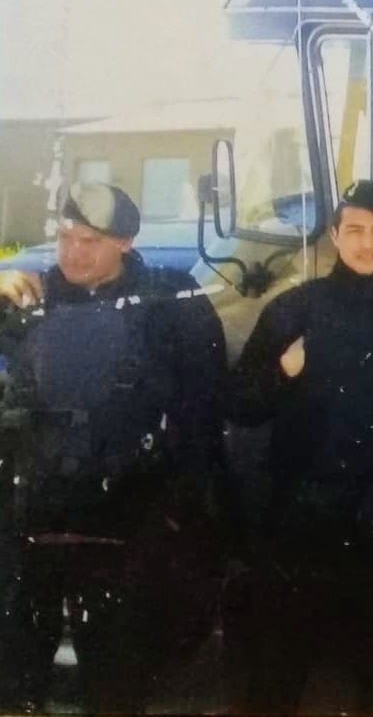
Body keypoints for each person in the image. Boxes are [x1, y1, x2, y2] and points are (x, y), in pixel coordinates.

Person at [0, 182, 226, 714]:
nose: (73, 252)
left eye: (91, 241)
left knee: (117, 676)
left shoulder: (169, 304)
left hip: (127, 512)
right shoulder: (27, 299)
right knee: (16, 671)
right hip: (39, 509)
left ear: (125, 242)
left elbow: (204, 411)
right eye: (66, 237)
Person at [226, 181, 373, 714]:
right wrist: (282, 371)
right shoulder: (295, 309)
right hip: (305, 514)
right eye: (355, 230)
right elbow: (241, 406)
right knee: (280, 664)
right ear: (335, 236)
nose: (367, 244)